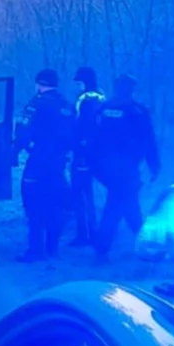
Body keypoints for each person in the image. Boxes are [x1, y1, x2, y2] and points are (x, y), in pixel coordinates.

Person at [91, 74, 160, 263]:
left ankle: (144, 243)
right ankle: (103, 249)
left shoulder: (103, 109)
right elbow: (148, 141)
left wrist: (92, 165)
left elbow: (92, 138)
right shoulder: (136, 111)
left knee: (129, 205)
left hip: (105, 167)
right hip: (126, 167)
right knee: (116, 206)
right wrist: (154, 165)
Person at [14, 68, 76, 262]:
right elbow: (75, 135)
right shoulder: (67, 106)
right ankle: (52, 247)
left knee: (33, 204)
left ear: (39, 84)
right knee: (55, 204)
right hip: (58, 164)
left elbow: (24, 131)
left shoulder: (36, 104)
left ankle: (35, 250)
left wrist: (15, 152)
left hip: (38, 162)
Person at [69, 66, 105, 247]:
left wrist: (78, 148)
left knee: (82, 195)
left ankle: (86, 234)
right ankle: (92, 232)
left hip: (84, 155)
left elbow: (83, 128)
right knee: (88, 194)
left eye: (79, 82)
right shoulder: (101, 97)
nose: (77, 86)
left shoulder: (87, 100)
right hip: (96, 154)